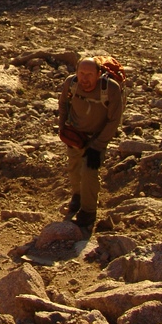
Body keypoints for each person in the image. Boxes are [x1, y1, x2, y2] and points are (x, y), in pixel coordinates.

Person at [57, 57, 124, 229]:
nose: (84, 79)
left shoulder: (110, 89)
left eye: (89, 74)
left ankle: (88, 212)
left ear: (99, 74)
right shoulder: (71, 84)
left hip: (97, 137)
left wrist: (98, 145)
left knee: (89, 171)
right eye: (81, 73)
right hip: (75, 133)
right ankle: (78, 196)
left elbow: (114, 120)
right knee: (74, 168)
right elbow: (63, 104)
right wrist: (62, 127)